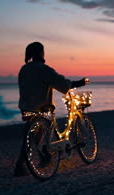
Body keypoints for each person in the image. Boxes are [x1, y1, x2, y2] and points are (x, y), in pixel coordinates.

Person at [14, 42, 88, 176]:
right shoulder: (43, 69)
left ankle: (24, 163)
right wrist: (79, 83)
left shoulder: (24, 69)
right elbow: (61, 83)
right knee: (40, 132)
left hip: (25, 107)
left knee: (31, 136)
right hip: (41, 107)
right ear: (41, 53)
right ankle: (45, 153)